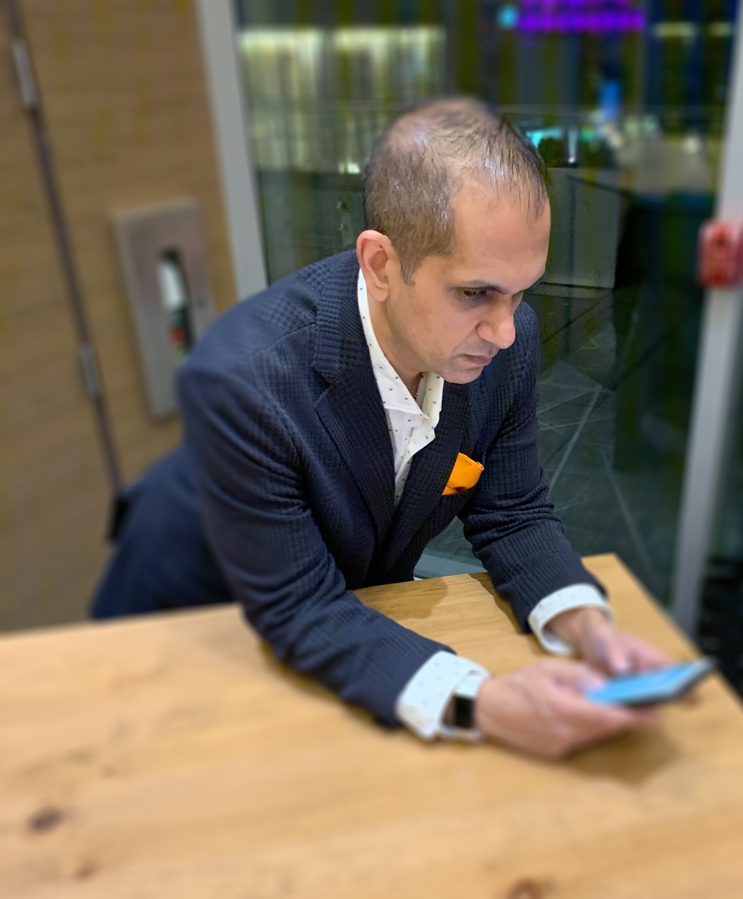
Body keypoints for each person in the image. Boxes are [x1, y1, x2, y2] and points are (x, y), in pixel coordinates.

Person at [93, 97, 673, 759]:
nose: (505, 331)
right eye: (475, 293)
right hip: (191, 627)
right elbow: (300, 606)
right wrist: (483, 705)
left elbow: (512, 513)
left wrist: (587, 626)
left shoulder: (504, 345)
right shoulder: (243, 382)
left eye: (521, 292)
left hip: (340, 618)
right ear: (380, 265)